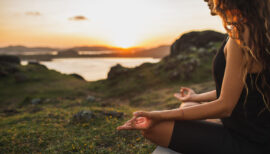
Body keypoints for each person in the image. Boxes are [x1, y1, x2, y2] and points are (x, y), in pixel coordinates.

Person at [117, 0, 270, 153]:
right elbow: (238, 91)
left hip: (251, 142)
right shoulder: (257, 30)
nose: (205, 0)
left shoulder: (241, 37)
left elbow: (225, 107)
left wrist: (158, 115)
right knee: (188, 105)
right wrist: (195, 97)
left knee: (154, 128)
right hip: (254, 130)